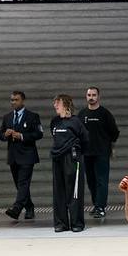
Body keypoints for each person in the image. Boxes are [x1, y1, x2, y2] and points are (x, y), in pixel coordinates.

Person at [0, 90, 43, 220]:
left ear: (23, 101)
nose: (13, 102)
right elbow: (0, 134)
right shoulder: (7, 117)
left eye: (16, 100)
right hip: (13, 156)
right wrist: (5, 135)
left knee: (23, 183)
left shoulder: (33, 116)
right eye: (12, 100)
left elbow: (39, 134)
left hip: (27, 156)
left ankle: (16, 209)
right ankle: (29, 207)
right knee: (19, 185)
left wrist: (22, 136)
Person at [77, 87, 120, 218]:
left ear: (98, 97)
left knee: (101, 180)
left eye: (94, 95)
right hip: (86, 153)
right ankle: (96, 204)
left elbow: (114, 132)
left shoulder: (105, 114)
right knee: (91, 180)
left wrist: (111, 146)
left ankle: (101, 207)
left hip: (101, 152)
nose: (91, 97)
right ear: (86, 97)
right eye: (89, 95)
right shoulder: (82, 114)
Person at [50, 94, 89, 233]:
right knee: (58, 191)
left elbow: (85, 139)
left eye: (57, 102)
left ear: (65, 104)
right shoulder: (54, 121)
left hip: (72, 159)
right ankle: (61, 223)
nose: (55, 105)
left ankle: (76, 223)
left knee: (74, 191)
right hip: (57, 159)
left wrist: (77, 154)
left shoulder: (75, 122)